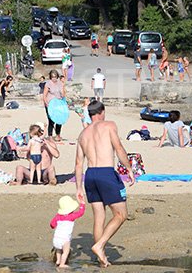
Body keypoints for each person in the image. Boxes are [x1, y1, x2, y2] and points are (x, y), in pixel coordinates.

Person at [75, 100, 135, 268]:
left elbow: (79, 164)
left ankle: (101, 258)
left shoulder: (83, 134)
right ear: (102, 112)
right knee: (121, 214)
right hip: (106, 173)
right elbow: (119, 148)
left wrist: (78, 188)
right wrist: (129, 169)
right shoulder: (109, 125)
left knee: (99, 217)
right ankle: (99, 246)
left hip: (90, 175)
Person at [50, 196, 86, 268]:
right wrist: (82, 204)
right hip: (65, 238)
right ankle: (62, 264)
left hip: (56, 238)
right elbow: (80, 213)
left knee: (59, 250)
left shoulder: (58, 216)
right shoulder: (71, 216)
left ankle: (58, 261)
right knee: (66, 252)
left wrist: (54, 226)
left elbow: (52, 224)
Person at [43, 69, 66, 142]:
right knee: (51, 120)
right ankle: (50, 136)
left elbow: (63, 93)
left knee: (59, 120)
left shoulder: (60, 83)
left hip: (58, 103)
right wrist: (46, 103)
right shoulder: (48, 83)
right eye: (52, 77)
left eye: (55, 77)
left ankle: (58, 135)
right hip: (50, 104)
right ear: (50, 77)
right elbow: (44, 95)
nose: (54, 78)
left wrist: (63, 97)